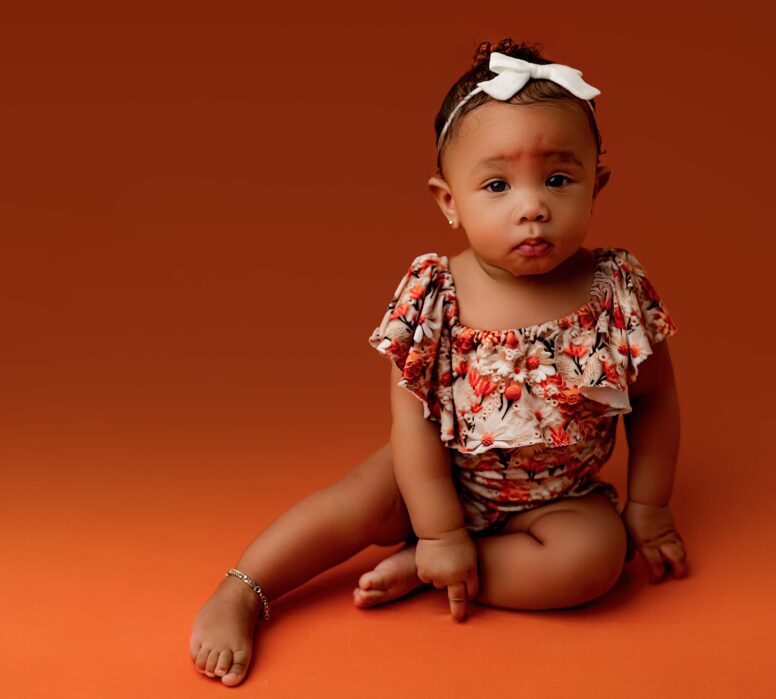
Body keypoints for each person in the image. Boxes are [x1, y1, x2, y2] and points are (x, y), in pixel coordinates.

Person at [189, 37, 688, 688]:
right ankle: (245, 588)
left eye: (558, 179)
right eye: (497, 184)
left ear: (597, 185)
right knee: (349, 505)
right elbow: (414, 420)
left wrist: (648, 508)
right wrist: (439, 528)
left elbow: (655, 400)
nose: (531, 205)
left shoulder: (612, 290)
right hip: (434, 472)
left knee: (596, 561)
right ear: (450, 200)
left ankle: (441, 571)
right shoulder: (437, 293)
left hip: (558, 496)